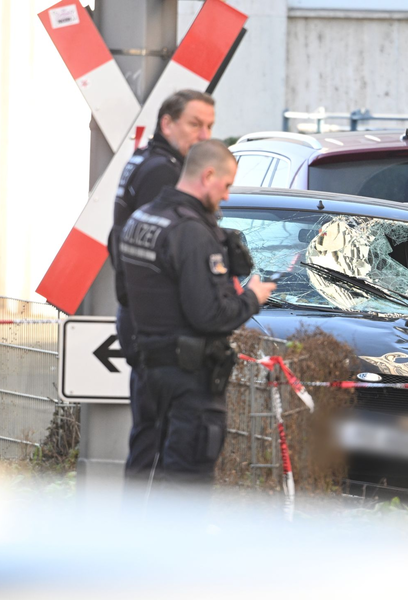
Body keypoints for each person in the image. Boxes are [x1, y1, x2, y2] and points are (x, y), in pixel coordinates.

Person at [119, 139, 275, 488]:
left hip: (148, 369)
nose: (227, 196)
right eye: (227, 184)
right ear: (207, 175)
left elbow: (126, 293)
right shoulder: (190, 232)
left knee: (143, 466)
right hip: (188, 379)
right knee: (185, 480)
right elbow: (209, 315)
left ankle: (132, 540)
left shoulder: (142, 218)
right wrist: (252, 297)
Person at [108, 90, 215, 480]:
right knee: (161, 445)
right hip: (154, 326)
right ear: (167, 124)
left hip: (140, 319)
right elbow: (154, 256)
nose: (203, 135)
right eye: (194, 124)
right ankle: (146, 533)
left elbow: (118, 243)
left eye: (210, 126)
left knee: (149, 437)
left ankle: (138, 530)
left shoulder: (145, 160)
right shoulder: (163, 173)